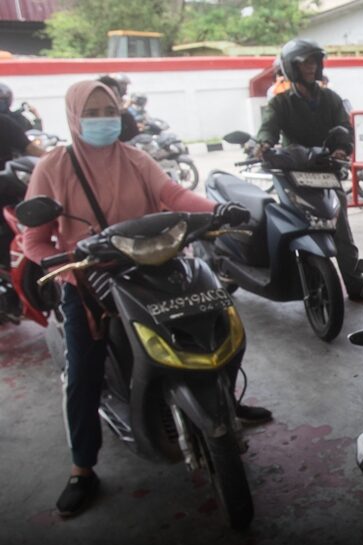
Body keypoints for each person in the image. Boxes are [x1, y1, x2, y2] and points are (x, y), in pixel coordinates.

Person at [23, 81, 270, 518]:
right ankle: (82, 467)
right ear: (74, 116)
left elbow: (174, 196)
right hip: (89, 277)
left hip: (153, 263)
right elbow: (34, 240)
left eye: (109, 109)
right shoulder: (53, 166)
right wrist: (65, 264)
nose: (103, 119)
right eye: (92, 112)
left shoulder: (136, 158)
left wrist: (215, 211)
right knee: (83, 373)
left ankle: (224, 404)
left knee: (212, 324)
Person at [256, 38, 363, 298]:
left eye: (314, 61)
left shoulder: (331, 98)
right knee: (287, 223)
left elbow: (345, 129)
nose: (311, 67)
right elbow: (268, 128)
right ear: (291, 67)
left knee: (341, 230)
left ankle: (355, 285)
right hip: (293, 173)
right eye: (304, 62)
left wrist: (342, 148)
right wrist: (263, 145)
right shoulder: (280, 103)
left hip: (326, 171)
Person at [97, 75, 139, 142]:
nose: (110, 99)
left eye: (114, 95)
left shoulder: (126, 118)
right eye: (107, 94)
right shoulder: (89, 121)